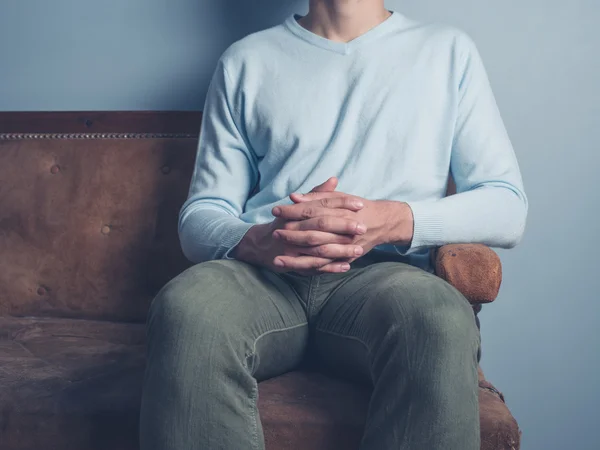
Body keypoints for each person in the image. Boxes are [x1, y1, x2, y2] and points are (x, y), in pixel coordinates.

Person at [139, 0, 528, 449]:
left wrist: (395, 219)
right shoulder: (246, 60)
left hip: (385, 280)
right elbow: (201, 213)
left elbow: (507, 206)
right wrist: (255, 240)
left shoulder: (447, 51)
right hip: (264, 278)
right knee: (188, 307)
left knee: (439, 319)